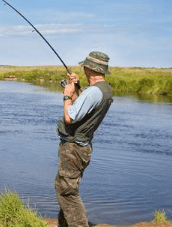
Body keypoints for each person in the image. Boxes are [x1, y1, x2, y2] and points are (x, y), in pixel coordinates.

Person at [55, 51, 114, 227]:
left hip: (74, 148)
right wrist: (76, 86)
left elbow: (70, 117)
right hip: (81, 148)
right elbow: (82, 108)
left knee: (67, 192)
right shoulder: (103, 89)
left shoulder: (94, 92)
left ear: (89, 69)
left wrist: (67, 94)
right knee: (65, 187)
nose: (84, 69)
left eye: (85, 67)